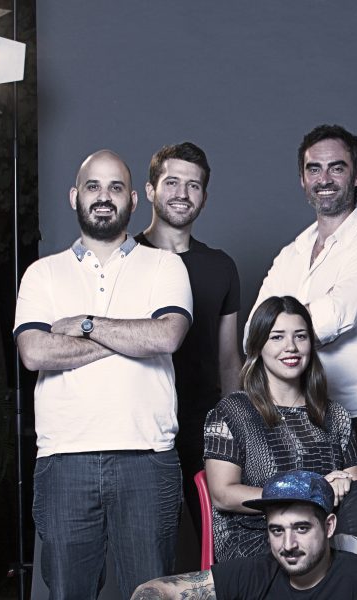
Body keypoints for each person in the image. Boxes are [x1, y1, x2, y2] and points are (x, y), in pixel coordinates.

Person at [14, 150, 192, 598]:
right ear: (74, 196)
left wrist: (87, 324)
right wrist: (129, 338)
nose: (103, 197)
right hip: (63, 460)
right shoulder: (42, 274)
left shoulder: (166, 265)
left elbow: (167, 336)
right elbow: (34, 352)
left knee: (150, 593)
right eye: (93, 186)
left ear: (132, 200)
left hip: (147, 457)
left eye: (115, 187)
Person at [251, 124, 357, 530]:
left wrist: (276, 330)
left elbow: (331, 319)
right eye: (313, 169)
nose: (324, 178)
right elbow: (252, 330)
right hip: (296, 420)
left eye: (337, 167)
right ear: (303, 179)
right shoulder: (293, 252)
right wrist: (281, 326)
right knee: (300, 536)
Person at [204, 296, 357, 562]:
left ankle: (355, 563)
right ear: (258, 346)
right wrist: (308, 492)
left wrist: (344, 483)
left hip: (325, 537)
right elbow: (223, 494)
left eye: (300, 336)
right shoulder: (233, 411)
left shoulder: (335, 415)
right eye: (277, 337)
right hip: (258, 539)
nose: (291, 347)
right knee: (348, 565)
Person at [135, 141, 242, 536]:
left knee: (221, 541)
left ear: (204, 197)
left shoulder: (220, 266)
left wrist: (236, 426)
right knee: (149, 543)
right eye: (172, 182)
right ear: (150, 190)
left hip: (204, 425)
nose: (182, 193)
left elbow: (229, 358)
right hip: (141, 425)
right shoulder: (124, 259)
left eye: (193, 185)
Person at [131, 470, 357, 599]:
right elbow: (154, 590)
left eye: (301, 528)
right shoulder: (253, 573)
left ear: (329, 527)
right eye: (277, 530)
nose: (288, 545)